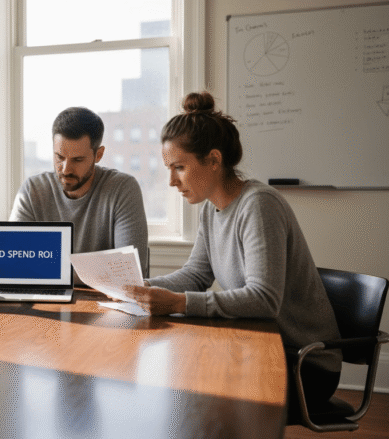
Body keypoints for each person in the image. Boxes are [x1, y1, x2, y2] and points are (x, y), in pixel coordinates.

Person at [122, 91, 341, 412]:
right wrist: (140, 286)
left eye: (179, 167)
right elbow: (196, 275)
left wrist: (180, 302)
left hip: (301, 363)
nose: (171, 181)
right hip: (258, 345)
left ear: (213, 160)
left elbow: (264, 299)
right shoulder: (212, 209)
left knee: (187, 389)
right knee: (174, 378)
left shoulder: (259, 205)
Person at [9, 106, 148, 278]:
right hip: (45, 297)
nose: (66, 169)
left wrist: (47, 266)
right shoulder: (32, 190)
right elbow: (14, 262)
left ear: (99, 155)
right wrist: (98, 269)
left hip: (104, 301)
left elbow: (128, 272)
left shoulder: (123, 189)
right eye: (59, 157)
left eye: (78, 160)